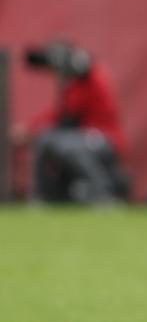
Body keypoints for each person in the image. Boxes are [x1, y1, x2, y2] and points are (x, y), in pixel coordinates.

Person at [13, 41, 128, 203]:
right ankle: (44, 197)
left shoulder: (91, 78)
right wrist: (32, 129)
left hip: (105, 137)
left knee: (69, 146)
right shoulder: (74, 83)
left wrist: (29, 129)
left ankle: (103, 194)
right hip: (83, 135)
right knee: (45, 140)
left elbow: (66, 112)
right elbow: (60, 114)